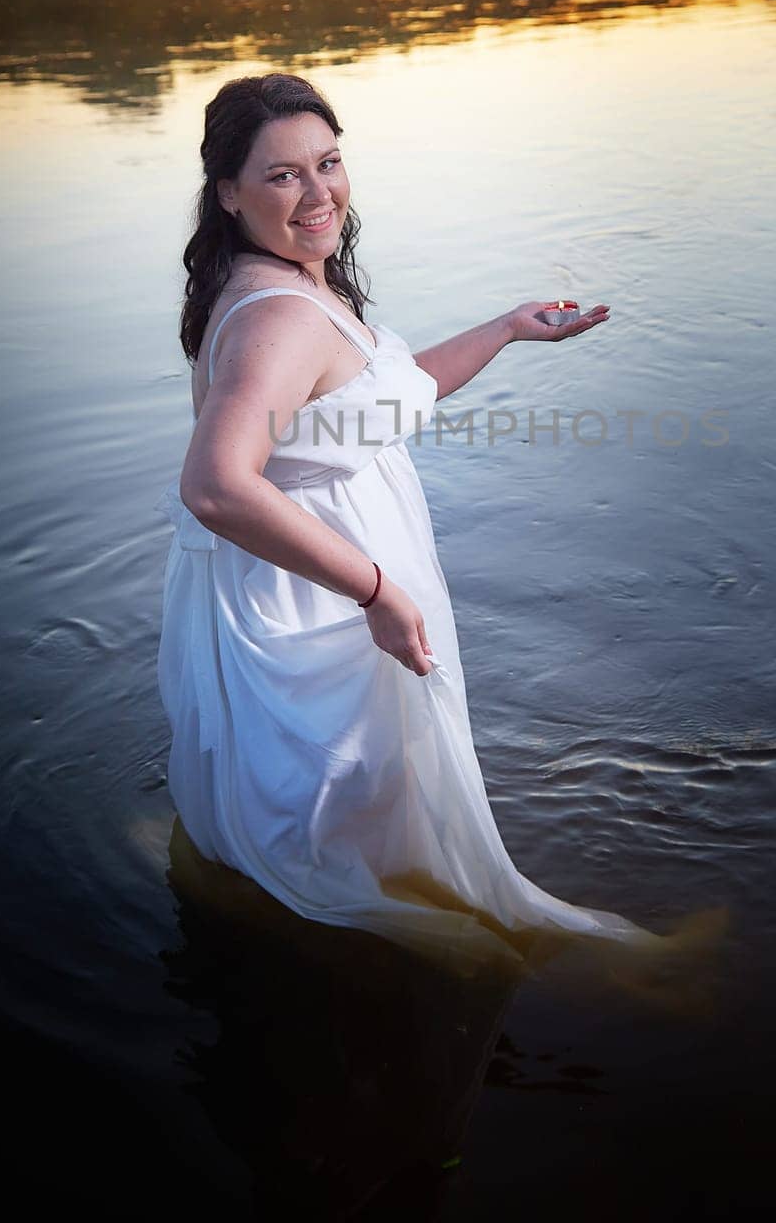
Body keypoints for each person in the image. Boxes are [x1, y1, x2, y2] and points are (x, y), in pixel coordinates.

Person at [156, 71, 666, 972]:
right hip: (320, 596)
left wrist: (505, 329)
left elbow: (365, 407)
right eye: (282, 176)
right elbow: (216, 487)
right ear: (227, 192)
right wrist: (379, 590)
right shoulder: (277, 313)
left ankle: (278, 915)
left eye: (329, 163)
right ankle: (448, 962)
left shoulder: (274, 280)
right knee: (342, 807)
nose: (318, 195)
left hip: (304, 579)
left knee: (337, 806)